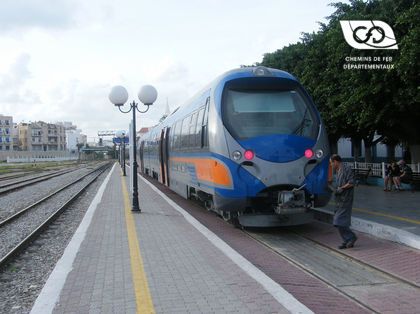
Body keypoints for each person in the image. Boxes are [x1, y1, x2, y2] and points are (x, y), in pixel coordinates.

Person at [330, 154, 358, 249]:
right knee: (339, 221)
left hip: (346, 199)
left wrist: (341, 188)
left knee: (339, 220)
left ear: (336, 161)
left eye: (332, 163)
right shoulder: (337, 171)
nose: (331, 165)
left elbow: (351, 182)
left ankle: (351, 237)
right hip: (339, 199)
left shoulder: (346, 169)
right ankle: (347, 240)